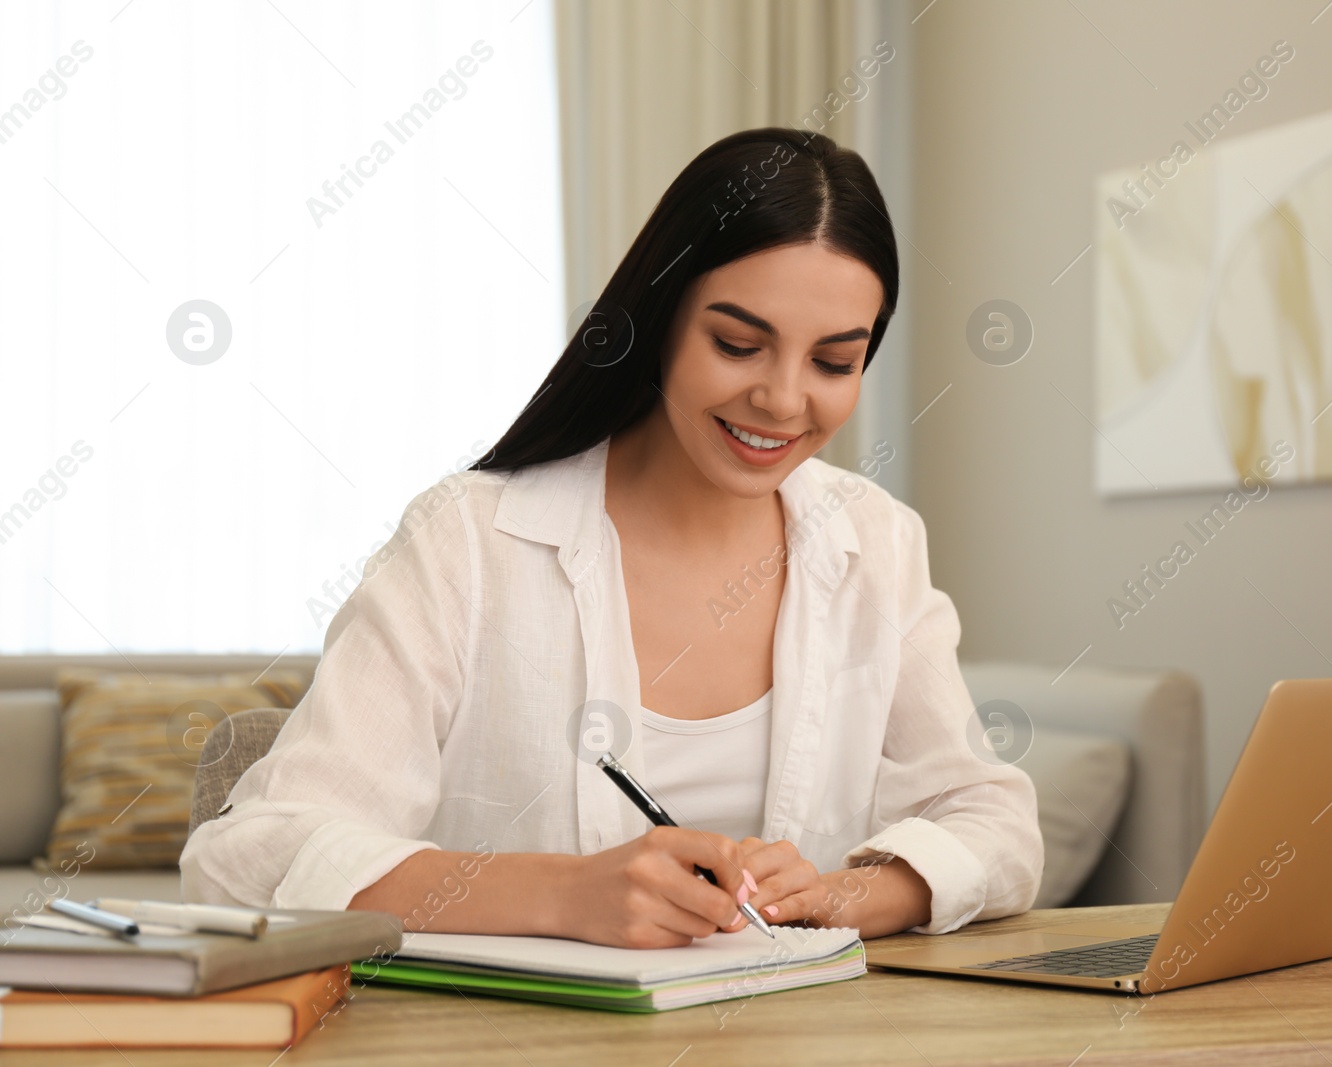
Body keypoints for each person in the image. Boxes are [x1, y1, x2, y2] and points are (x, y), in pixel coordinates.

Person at [180, 127, 1042, 947]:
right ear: (660, 317)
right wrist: (564, 892)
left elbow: (996, 821)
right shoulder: (468, 542)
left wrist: (843, 892)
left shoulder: (875, 542)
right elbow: (247, 856)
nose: (783, 400)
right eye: (739, 344)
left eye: (832, 363)